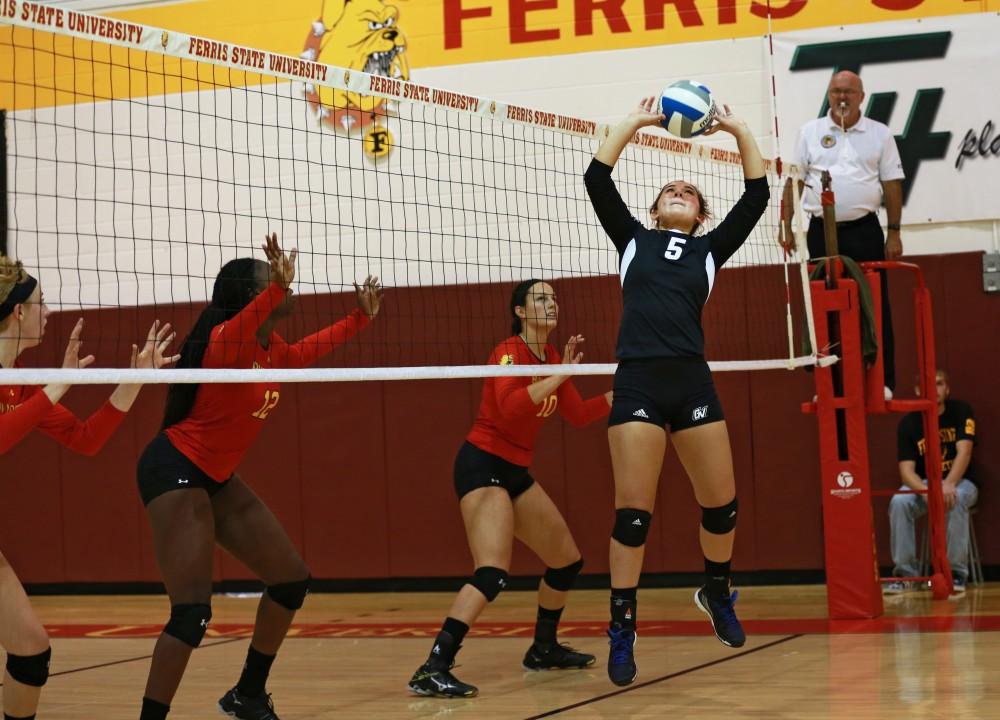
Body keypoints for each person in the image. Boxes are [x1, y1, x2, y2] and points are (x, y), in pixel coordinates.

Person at [136, 234, 382, 720]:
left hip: (216, 475)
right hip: (175, 467)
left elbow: (311, 350)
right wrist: (274, 290)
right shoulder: (226, 341)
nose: (287, 283)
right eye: (273, 281)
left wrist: (361, 318)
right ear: (252, 298)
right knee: (192, 613)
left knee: (290, 581)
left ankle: (247, 693)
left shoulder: (272, 352)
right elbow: (240, 327)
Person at [584, 98, 769, 687]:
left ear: (700, 213)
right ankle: (622, 628)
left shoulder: (711, 251)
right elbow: (597, 177)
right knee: (633, 518)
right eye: (671, 189)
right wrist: (635, 123)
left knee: (723, 507)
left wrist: (738, 129)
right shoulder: (633, 241)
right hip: (638, 378)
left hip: (690, 378)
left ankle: (716, 592)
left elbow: (758, 196)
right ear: (657, 208)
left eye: (690, 191)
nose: (680, 190)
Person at [407, 279, 612, 698]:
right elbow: (512, 406)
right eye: (540, 298)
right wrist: (561, 374)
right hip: (482, 465)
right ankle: (433, 668)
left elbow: (577, 414)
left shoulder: (553, 356)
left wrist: (621, 393)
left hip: (515, 470)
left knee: (565, 561)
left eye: (554, 298)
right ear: (519, 311)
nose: (551, 304)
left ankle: (543, 648)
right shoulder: (508, 352)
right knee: (492, 573)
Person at [0, 253, 177, 720]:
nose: (48, 311)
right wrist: (59, 384)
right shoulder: (30, 387)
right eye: (41, 303)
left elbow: (86, 438)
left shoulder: (19, 386)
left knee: (32, 650)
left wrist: (134, 380)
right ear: (18, 311)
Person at [781, 70, 904, 397]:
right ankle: (828, 385)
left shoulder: (879, 134)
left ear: (861, 96)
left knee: (876, 305)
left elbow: (892, 184)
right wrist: (786, 226)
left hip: (865, 231)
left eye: (849, 91)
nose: (842, 97)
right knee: (824, 306)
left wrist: (894, 232)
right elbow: (794, 180)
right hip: (821, 231)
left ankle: (883, 381)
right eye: (836, 91)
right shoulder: (810, 132)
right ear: (829, 95)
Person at [887, 369, 977, 595]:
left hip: (961, 481)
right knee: (899, 501)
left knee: (953, 499)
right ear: (918, 391)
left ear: (947, 389)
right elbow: (906, 472)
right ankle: (906, 575)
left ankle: (955, 573)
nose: (934, 389)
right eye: (929, 385)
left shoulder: (961, 411)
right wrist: (927, 491)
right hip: (924, 483)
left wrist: (949, 484)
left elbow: (964, 453)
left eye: (939, 384)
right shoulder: (908, 423)